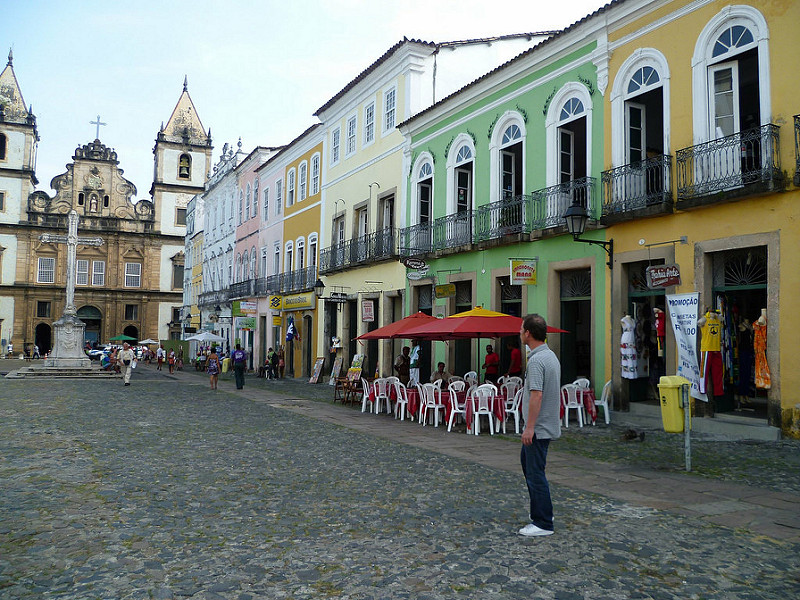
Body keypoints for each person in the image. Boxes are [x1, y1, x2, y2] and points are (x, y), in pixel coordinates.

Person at [518, 313, 561, 537]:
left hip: (539, 427)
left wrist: (530, 427)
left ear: (528, 333)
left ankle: (543, 522)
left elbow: (537, 395)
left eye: (521, 329)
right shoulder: (550, 356)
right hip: (546, 425)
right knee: (530, 467)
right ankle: (544, 511)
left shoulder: (536, 360)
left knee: (535, 473)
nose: (519, 333)